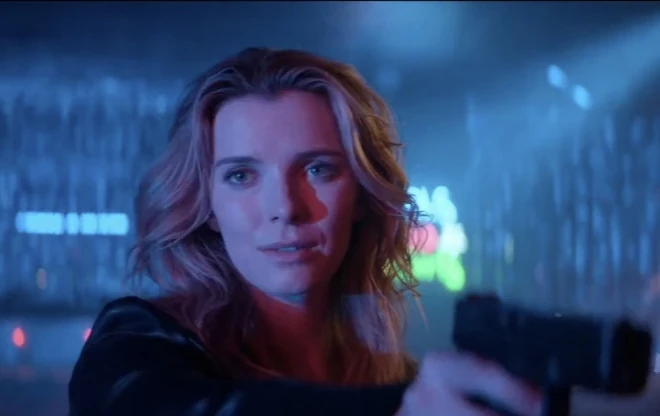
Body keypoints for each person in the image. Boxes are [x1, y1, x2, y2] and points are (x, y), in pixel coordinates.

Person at [68, 47, 541, 416]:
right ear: (208, 206)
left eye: (318, 169)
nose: (286, 209)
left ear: (361, 195)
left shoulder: (395, 376)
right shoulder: (137, 343)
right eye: (241, 176)